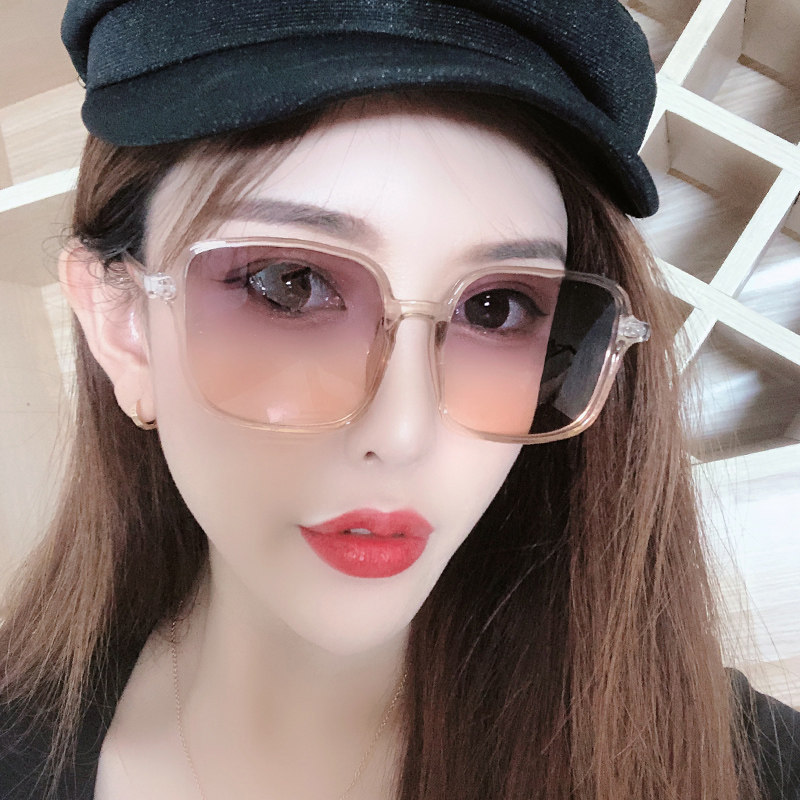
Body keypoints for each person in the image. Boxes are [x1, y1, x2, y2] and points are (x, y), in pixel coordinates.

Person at [1, 1, 798, 799]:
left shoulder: (745, 770)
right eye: (291, 284)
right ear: (122, 326)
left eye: (496, 308)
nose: (406, 430)